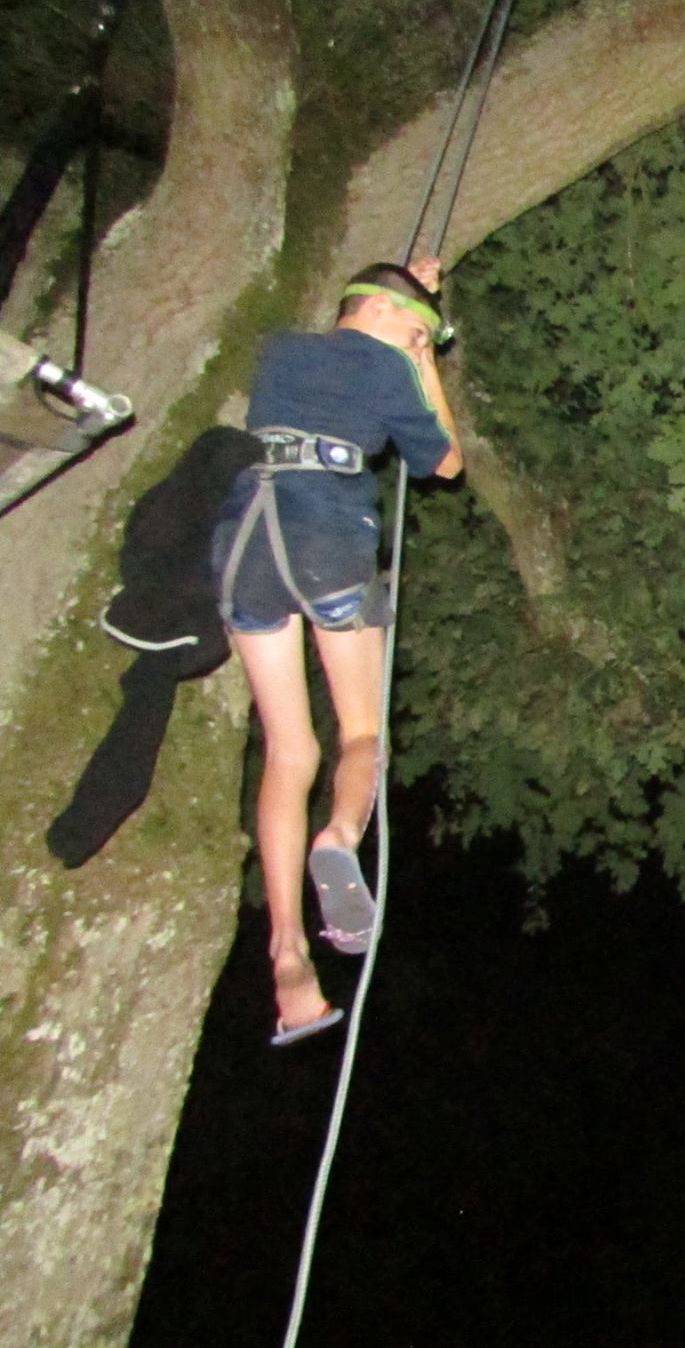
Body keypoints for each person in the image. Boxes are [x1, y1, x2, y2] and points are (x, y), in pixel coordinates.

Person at [211, 260, 464, 1044]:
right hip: (326, 538)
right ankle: (339, 836)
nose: (422, 343)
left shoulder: (280, 351)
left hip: (247, 536)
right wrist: (424, 365)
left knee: (290, 750)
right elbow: (446, 463)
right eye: (419, 330)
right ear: (390, 322)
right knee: (361, 734)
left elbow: (373, 299)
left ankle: (288, 951)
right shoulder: (395, 366)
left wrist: (412, 292)